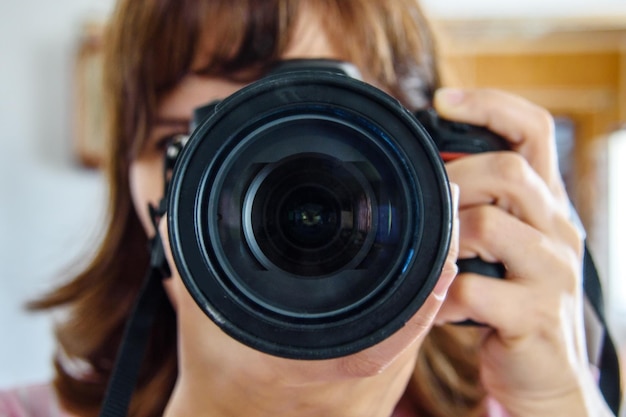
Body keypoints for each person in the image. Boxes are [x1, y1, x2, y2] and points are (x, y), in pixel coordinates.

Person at [0, 1, 618, 416]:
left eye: (333, 136)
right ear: (135, 173)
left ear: (436, 162)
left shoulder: (509, 396)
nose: (263, 185)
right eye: (186, 144)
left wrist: (565, 401)